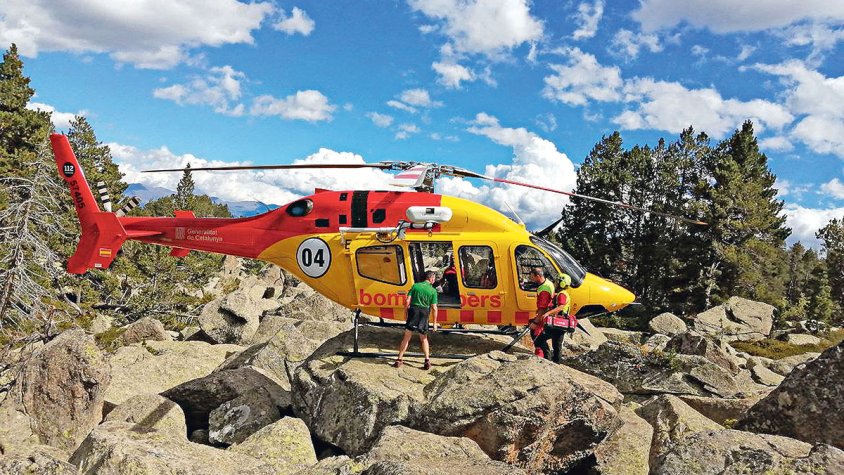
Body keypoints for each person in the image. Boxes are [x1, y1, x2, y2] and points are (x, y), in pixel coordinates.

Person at [394, 270, 439, 370]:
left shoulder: (415, 286)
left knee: (406, 337)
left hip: (413, 311)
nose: (434, 280)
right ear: (431, 278)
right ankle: (427, 361)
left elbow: (407, 301)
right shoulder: (433, 291)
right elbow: (434, 308)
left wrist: (405, 313)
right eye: (434, 279)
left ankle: (399, 359)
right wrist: (435, 323)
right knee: (424, 338)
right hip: (424, 312)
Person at [537, 274, 574, 363]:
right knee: (556, 344)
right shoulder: (562, 293)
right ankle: (553, 360)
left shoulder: (562, 295)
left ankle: (552, 360)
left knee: (547, 341)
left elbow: (561, 307)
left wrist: (548, 313)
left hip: (559, 323)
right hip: (560, 323)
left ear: (562, 283)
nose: (555, 283)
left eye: (557, 281)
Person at [528, 267, 556, 358]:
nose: (530, 278)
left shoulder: (544, 289)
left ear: (538, 276)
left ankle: (543, 356)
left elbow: (543, 307)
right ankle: (544, 354)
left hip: (544, 315)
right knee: (538, 335)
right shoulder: (547, 283)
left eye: (532, 276)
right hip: (545, 314)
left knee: (536, 334)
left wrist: (536, 322)